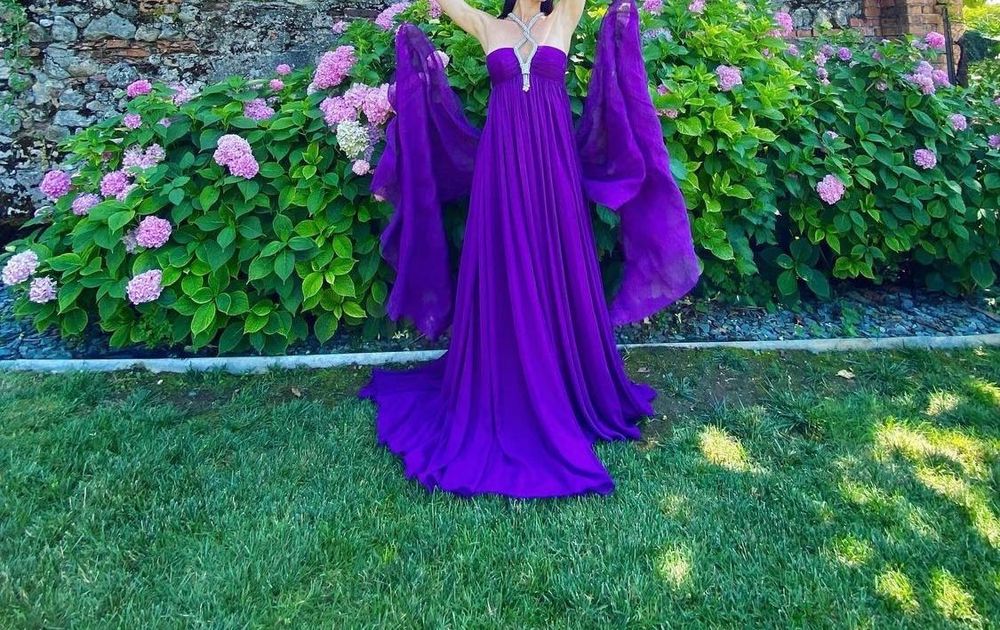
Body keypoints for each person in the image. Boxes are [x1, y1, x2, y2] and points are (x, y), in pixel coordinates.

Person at [358, 0, 701, 498]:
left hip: (553, 169)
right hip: (499, 169)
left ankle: (562, 378)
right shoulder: (488, 26)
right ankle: (504, 379)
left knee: (555, 261)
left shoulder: (564, 16)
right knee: (500, 264)